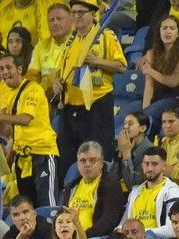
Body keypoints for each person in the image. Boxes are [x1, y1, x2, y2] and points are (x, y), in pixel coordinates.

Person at [55, 0, 126, 179]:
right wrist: (56, 82)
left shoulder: (105, 35)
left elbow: (121, 66)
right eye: (74, 12)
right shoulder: (71, 39)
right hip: (70, 106)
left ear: (93, 13)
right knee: (68, 158)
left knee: (97, 155)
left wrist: (97, 61)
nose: (77, 16)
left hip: (96, 105)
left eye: (81, 12)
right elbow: (59, 70)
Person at [0, 52, 60, 208]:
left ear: (19, 69)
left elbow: (25, 119)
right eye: (1, 68)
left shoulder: (33, 89)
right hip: (21, 158)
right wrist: (9, 156)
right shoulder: (6, 92)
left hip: (42, 155)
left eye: (8, 67)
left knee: (47, 206)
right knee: (27, 207)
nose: (4, 72)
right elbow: (17, 131)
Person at [64, 141, 126, 239]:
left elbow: (109, 221)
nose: (87, 164)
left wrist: (82, 236)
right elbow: (62, 215)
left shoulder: (110, 184)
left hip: (95, 238)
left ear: (101, 163)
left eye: (92, 160)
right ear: (78, 165)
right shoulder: (71, 187)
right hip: (70, 238)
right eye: (83, 161)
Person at [122, 146, 179, 238]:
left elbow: (173, 229)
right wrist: (118, 231)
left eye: (154, 164)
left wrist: (140, 233)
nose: (149, 169)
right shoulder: (135, 192)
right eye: (146, 164)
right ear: (142, 165)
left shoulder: (173, 191)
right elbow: (123, 223)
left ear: (164, 166)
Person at [139, 14, 179, 127]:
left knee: (141, 119)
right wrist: (146, 109)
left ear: (178, 34)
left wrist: (150, 70)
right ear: (159, 32)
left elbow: (173, 81)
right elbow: (149, 85)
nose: (168, 31)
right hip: (157, 96)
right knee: (130, 114)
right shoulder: (151, 53)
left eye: (172, 28)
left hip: (176, 97)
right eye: (164, 28)